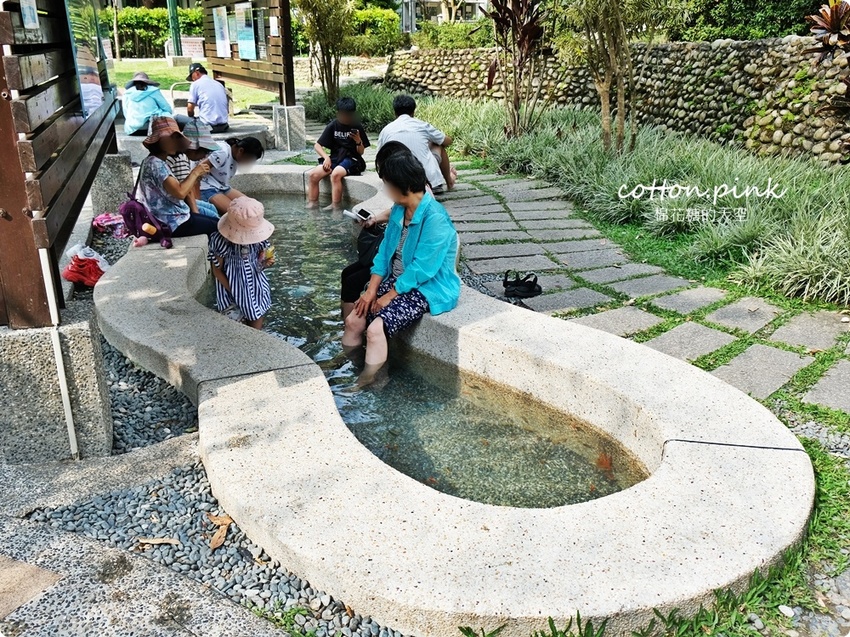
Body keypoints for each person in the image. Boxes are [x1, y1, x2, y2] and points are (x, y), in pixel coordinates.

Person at [342, 152, 461, 387]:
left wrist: (388, 296)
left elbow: (422, 269)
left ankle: (372, 380)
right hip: (398, 280)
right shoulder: (399, 209)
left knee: (376, 330)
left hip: (427, 287)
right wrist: (371, 291)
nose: (384, 188)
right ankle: (351, 364)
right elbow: (384, 253)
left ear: (402, 185)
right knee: (354, 320)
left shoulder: (435, 218)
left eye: (386, 183)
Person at [339, 142, 412, 321]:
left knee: (353, 280)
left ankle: (350, 323)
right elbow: (396, 211)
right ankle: (348, 322)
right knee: (348, 273)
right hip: (388, 255)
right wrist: (375, 219)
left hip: (398, 265)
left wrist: (378, 292)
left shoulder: (420, 202)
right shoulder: (405, 193)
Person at [138, 117, 218, 238]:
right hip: (170, 221)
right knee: (218, 227)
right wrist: (196, 172)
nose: (175, 143)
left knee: (215, 220)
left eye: (176, 139)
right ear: (160, 141)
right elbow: (180, 193)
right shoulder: (156, 164)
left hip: (168, 217)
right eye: (171, 139)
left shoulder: (151, 161)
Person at [208, 196, 276, 330]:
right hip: (231, 294)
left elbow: (259, 263)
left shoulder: (259, 240)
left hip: (256, 290)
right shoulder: (222, 242)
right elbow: (217, 270)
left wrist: (265, 263)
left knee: (256, 328)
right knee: (239, 332)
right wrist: (234, 292)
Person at [378, 94, 456, 192]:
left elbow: (380, 158)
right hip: (427, 179)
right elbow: (447, 141)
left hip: (398, 180)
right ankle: (449, 181)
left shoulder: (386, 130)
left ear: (395, 112)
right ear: (413, 111)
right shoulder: (422, 125)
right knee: (437, 144)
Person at [308, 97, 370, 208]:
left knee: (336, 174)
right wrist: (326, 157)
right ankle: (313, 204)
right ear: (338, 113)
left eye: (348, 115)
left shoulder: (356, 126)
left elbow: (360, 152)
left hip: (352, 159)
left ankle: (336, 206)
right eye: (343, 114)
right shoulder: (333, 125)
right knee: (313, 175)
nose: (345, 118)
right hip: (335, 158)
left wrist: (358, 141)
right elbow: (317, 145)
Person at [166, 119, 220, 219]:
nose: (205, 157)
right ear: (194, 148)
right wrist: (196, 215)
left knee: (211, 208)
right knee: (213, 218)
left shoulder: (180, 155)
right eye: (205, 152)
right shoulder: (180, 158)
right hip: (172, 206)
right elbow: (187, 192)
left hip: (174, 201)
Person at [200, 136, 265, 214]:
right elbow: (198, 170)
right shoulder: (222, 152)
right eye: (248, 160)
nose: (248, 163)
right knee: (237, 214)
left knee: (254, 208)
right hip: (205, 187)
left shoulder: (234, 154)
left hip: (221, 186)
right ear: (241, 151)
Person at [177, 63, 229, 133]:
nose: (193, 80)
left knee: (177, 118)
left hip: (208, 127)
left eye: (192, 77)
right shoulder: (219, 84)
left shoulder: (196, 84)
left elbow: (190, 109)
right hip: (223, 126)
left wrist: (191, 117)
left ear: (197, 73)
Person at [122, 72, 171, 136]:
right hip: (151, 128)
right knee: (165, 113)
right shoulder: (153, 91)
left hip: (132, 130)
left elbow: (126, 112)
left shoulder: (127, 93)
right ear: (147, 82)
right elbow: (166, 107)